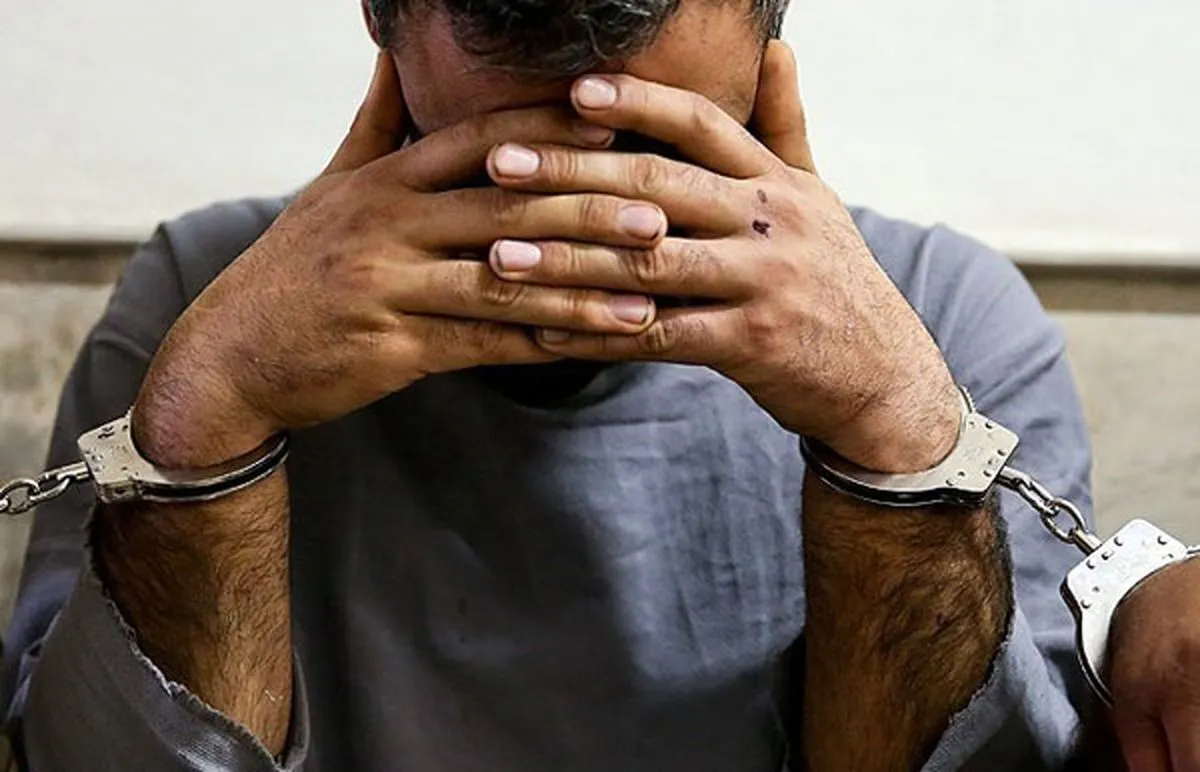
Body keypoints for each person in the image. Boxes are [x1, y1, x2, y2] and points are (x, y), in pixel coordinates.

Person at [3, 0, 1198, 769]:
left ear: (768, 47)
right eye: (503, 163)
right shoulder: (207, 293)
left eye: (657, 153)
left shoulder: (942, 311)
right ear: (383, 27)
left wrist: (893, 430)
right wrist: (209, 413)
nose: (591, 227)